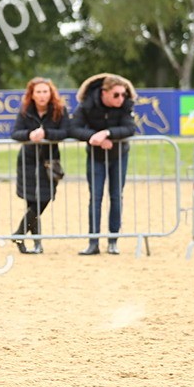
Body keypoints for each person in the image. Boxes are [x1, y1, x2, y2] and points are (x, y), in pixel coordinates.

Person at [69, 72, 137, 255]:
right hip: (95, 157)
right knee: (95, 198)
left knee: (116, 196)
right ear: (103, 92)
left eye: (123, 95)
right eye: (116, 95)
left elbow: (130, 128)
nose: (121, 98)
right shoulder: (87, 105)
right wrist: (93, 137)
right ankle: (93, 242)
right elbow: (73, 128)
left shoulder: (125, 106)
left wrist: (107, 133)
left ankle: (113, 241)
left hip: (119, 155)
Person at [9, 77, 69, 254]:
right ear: (32, 95)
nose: (42, 95)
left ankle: (19, 233)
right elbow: (15, 133)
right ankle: (36, 243)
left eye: (45, 91)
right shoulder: (25, 111)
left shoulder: (59, 110)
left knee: (44, 199)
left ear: (51, 94)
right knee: (32, 202)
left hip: (50, 162)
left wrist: (46, 133)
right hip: (28, 161)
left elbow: (66, 131)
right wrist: (30, 134)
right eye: (38, 92)